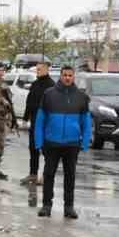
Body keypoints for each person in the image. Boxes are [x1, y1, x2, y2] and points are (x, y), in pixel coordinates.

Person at [34, 65, 91, 219]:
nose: (67, 77)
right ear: (60, 76)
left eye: (70, 75)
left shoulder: (81, 97)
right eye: (65, 75)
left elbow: (86, 122)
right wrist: (39, 142)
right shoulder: (49, 94)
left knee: (70, 176)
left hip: (72, 144)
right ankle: (46, 205)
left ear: (74, 77)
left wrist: (85, 142)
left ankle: (69, 207)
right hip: (51, 143)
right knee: (49, 174)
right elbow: (40, 120)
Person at [22, 62, 55, 183]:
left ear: (46, 70)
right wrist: (25, 118)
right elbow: (29, 102)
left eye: (40, 70)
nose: (38, 72)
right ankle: (33, 174)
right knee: (33, 148)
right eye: (37, 70)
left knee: (46, 150)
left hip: (46, 122)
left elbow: (54, 106)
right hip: (34, 121)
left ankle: (45, 176)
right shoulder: (35, 84)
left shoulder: (51, 85)